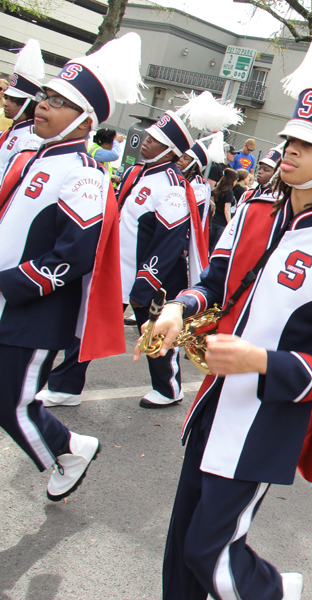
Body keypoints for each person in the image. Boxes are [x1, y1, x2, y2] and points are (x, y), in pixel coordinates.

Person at [148, 16, 312, 598]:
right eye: (288, 140)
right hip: (215, 402)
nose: (287, 150)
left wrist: (260, 361)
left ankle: (276, 591)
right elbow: (215, 286)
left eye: (305, 144)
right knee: (180, 553)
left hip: (266, 421)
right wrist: (179, 307)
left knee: (210, 551)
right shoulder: (252, 212)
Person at [0, 33, 138, 501]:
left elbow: (73, 255)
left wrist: (11, 286)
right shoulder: (32, 156)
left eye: (59, 103)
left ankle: (70, 450)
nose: (42, 106)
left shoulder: (83, 173)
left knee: (12, 405)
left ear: (83, 121)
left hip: (32, 316)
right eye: (46, 97)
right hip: (7, 305)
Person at [116, 93, 210, 409]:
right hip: (117, 269)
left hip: (149, 276)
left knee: (156, 335)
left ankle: (169, 389)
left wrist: (146, 282)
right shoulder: (138, 172)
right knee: (90, 326)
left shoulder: (172, 186)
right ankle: (66, 383)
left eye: (155, 140)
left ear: (170, 151)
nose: (146, 142)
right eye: (149, 136)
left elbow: (169, 242)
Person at [0, 39, 44, 173]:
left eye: (12, 100)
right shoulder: (13, 130)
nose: (6, 103)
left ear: (26, 103)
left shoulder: (31, 139)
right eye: (6, 98)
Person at [208, 168, 238, 250]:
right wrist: (230, 224)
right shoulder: (229, 192)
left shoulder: (218, 189)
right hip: (222, 223)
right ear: (233, 181)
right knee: (216, 246)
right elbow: (227, 210)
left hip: (214, 220)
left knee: (209, 245)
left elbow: (208, 198)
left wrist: (213, 205)